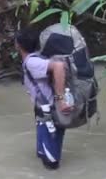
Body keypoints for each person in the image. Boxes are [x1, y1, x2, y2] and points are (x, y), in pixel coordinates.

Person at [15, 28, 69, 170]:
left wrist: (61, 99)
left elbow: (58, 66)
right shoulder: (35, 58)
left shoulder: (32, 62)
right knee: (41, 155)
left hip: (50, 112)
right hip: (42, 112)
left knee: (51, 164)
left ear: (18, 45)